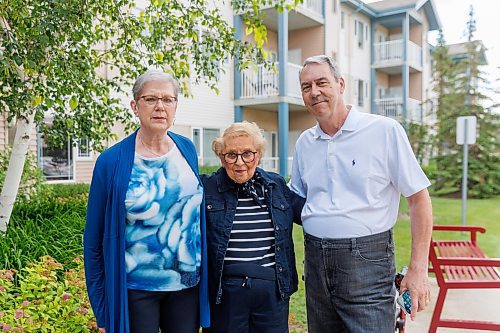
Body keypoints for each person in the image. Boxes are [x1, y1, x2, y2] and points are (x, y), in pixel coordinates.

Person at [291, 55, 433, 332]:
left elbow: (419, 199)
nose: (314, 92)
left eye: (322, 83)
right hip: (315, 263)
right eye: (306, 87)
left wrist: (418, 269)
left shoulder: (383, 130)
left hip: (367, 263)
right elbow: (296, 199)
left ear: (341, 84)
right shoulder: (304, 142)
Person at [83, 69, 210, 333]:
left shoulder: (187, 149)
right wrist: (103, 311)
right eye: (151, 99)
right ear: (135, 106)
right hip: (136, 290)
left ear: (176, 106)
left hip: (187, 287)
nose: (160, 107)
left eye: (168, 99)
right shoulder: (110, 162)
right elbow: (93, 241)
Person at [201, 122, 304, 333]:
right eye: (231, 155)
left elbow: (310, 215)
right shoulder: (207, 188)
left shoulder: (275, 186)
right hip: (225, 292)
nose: (240, 162)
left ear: (258, 154)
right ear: (221, 157)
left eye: (247, 153)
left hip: (272, 292)